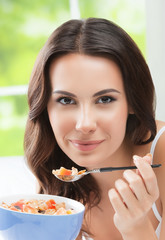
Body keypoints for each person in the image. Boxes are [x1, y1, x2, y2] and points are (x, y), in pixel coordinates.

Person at [24, 18, 165, 240]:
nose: (84, 124)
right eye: (66, 101)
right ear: (44, 107)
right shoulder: (57, 174)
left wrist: (137, 228)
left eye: (105, 99)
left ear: (132, 101)